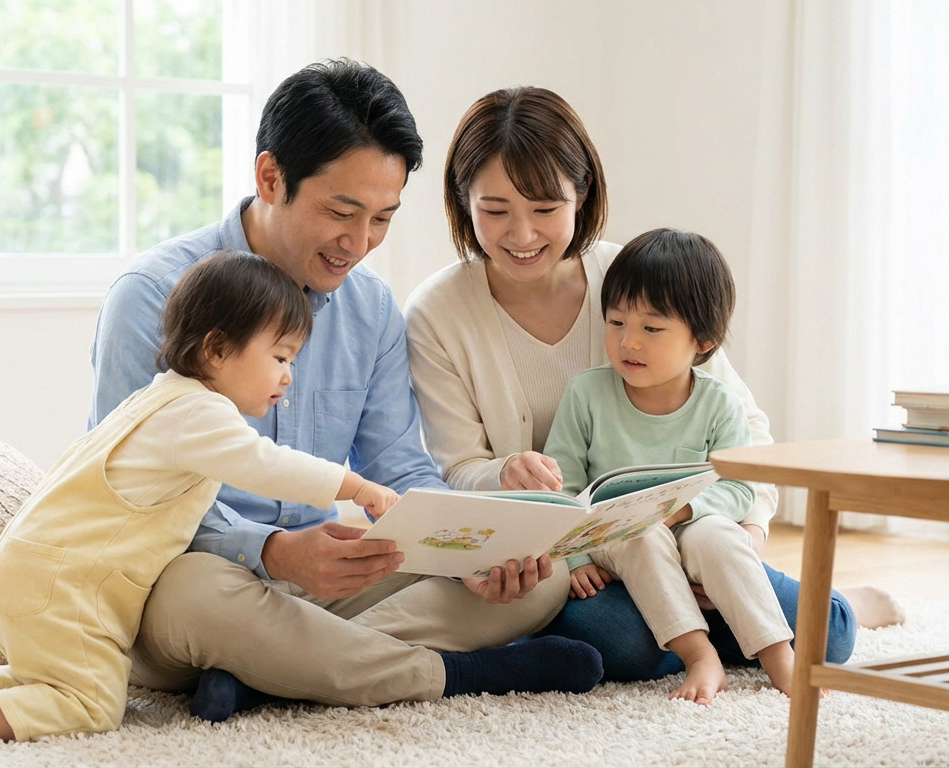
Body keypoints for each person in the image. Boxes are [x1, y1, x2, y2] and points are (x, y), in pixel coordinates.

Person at [87, 61, 597, 724]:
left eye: (382, 218)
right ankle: (450, 673)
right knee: (193, 595)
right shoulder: (152, 297)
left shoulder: (371, 309)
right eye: (341, 212)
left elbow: (399, 467)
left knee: (538, 578)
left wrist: (465, 552)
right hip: (196, 574)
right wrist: (272, 551)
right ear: (271, 178)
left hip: (324, 585)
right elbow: (130, 496)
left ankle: (269, 672)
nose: (359, 244)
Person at [404, 85, 904, 684]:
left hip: (697, 535)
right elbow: (458, 467)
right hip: (581, 559)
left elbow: (747, 435)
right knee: (616, 646)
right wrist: (504, 474)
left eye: (544, 209)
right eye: (495, 210)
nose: (522, 234)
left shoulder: (634, 280)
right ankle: (705, 632)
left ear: (581, 193)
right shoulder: (437, 311)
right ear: (462, 202)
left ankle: (791, 609)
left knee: (835, 633)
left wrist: (743, 534)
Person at [0, 250, 402, 743]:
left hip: (36, 571)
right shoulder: (199, 413)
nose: (288, 377)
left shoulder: (162, 397)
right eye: (280, 358)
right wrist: (355, 486)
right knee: (90, 703)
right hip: (64, 585)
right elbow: (266, 465)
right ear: (216, 350)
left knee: (52, 676)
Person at [545, 228, 795, 704]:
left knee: (722, 535)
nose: (628, 342)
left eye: (651, 329)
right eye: (616, 322)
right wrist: (573, 558)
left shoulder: (719, 401)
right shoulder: (587, 393)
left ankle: (778, 654)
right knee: (638, 537)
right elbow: (564, 484)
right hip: (619, 537)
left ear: (704, 339)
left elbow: (740, 488)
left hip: (690, 530)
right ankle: (701, 655)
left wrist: (683, 511)